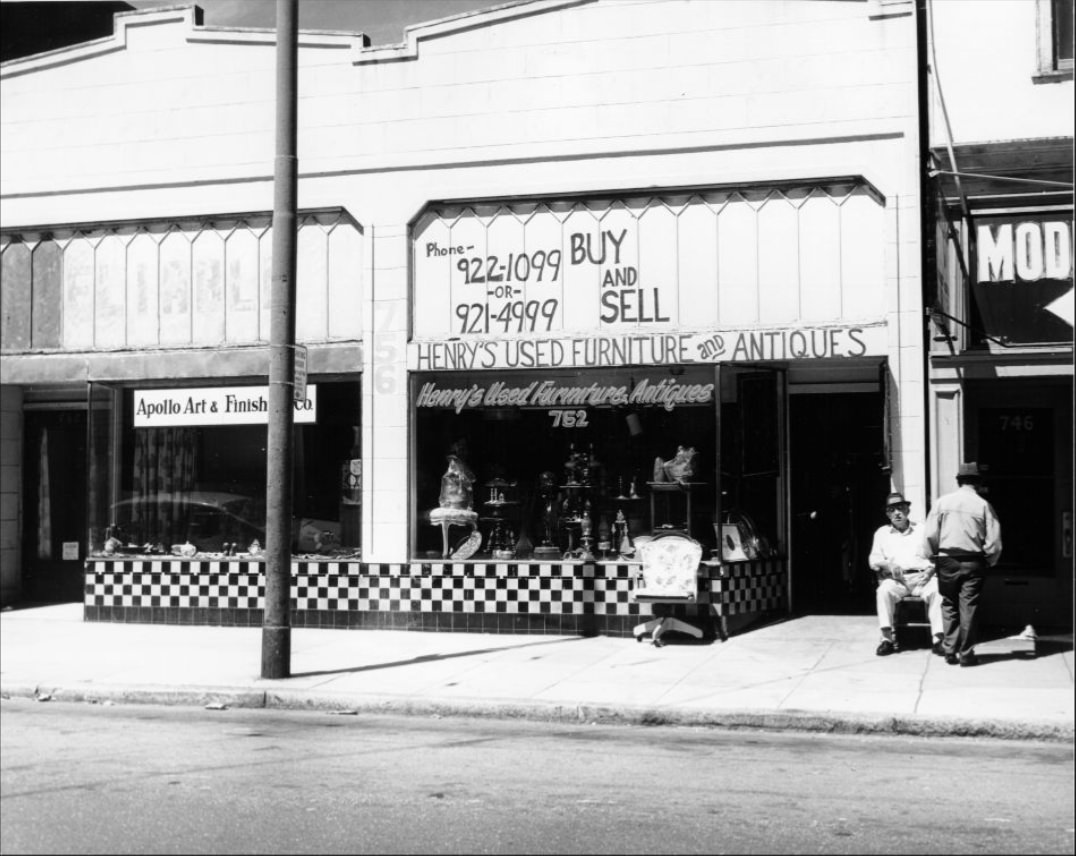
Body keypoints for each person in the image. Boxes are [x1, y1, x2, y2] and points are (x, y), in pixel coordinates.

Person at [922, 462, 1002, 668]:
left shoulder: (942, 502)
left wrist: (932, 555)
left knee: (949, 604)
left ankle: (950, 649)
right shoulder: (983, 505)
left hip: (947, 559)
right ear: (978, 482)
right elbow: (994, 541)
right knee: (969, 607)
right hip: (973, 560)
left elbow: (930, 533)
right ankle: (966, 653)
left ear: (958, 481)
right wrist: (989, 560)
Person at [868, 492, 944, 657]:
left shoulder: (922, 530)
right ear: (887, 513)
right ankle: (887, 639)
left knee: (938, 591)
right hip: (897, 581)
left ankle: (938, 640)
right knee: (883, 592)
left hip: (922, 578)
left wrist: (931, 570)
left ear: (908, 510)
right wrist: (887, 564)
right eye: (892, 510)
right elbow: (873, 560)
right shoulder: (881, 533)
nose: (897, 513)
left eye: (901, 508)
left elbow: (936, 555)